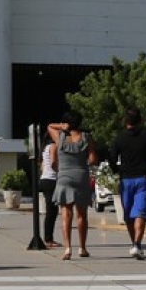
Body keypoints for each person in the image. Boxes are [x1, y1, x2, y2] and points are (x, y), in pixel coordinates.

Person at [47, 110, 96, 260]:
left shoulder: (60, 137)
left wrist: (63, 126)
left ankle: (68, 248)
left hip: (64, 176)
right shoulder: (86, 137)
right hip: (81, 176)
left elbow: (49, 126)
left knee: (65, 214)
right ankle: (82, 248)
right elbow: (93, 159)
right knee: (81, 215)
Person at [112, 107, 146, 259]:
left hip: (126, 179)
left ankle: (135, 243)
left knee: (128, 214)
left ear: (125, 121)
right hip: (143, 177)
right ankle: (137, 244)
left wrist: (117, 170)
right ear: (140, 120)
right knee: (140, 211)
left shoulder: (119, 138)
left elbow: (112, 158)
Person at [38, 137, 61, 248]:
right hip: (51, 180)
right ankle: (48, 239)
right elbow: (53, 162)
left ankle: (49, 238)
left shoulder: (45, 149)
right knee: (51, 211)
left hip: (44, 179)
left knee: (52, 210)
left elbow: (42, 167)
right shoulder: (53, 146)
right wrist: (59, 172)